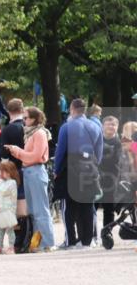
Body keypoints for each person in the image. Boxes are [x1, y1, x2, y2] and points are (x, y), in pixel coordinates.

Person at [53, 98, 103, 248]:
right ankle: (87, 240)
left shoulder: (67, 127)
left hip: (71, 167)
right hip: (89, 167)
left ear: (72, 109)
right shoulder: (95, 126)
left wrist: (56, 170)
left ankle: (70, 240)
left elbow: (60, 151)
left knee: (69, 206)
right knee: (87, 205)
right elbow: (99, 151)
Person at [6, 107, 56, 251]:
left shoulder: (39, 133)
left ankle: (47, 243)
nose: (23, 120)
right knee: (33, 211)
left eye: (26, 118)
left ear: (34, 119)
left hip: (35, 171)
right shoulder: (30, 133)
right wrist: (17, 152)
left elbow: (36, 156)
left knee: (40, 210)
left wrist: (18, 151)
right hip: (29, 171)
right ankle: (37, 243)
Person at [98, 116, 123, 235]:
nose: (111, 127)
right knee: (92, 207)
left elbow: (118, 161)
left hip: (112, 179)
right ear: (103, 126)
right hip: (96, 178)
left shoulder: (119, 143)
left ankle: (107, 233)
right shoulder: (97, 140)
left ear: (117, 127)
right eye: (108, 124)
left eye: (113, 125)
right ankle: (91, 236)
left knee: (109, 209)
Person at [0, 161, 19, 254]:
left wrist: (13, 211)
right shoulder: (0, 182)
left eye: (3, 171)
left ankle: (11, 247)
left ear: (9, 172)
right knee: (0, 230)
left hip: (8, 209)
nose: (1, 173)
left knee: (10, 230)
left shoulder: (12, 183)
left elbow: (13, 198)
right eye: (0, 171)